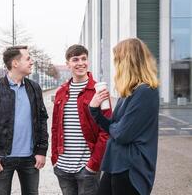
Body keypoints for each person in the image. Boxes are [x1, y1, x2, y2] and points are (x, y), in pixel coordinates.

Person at [89, 38, 159, 195]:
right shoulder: (129, 92)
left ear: (127, 62)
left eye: (117, 60)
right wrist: (95, 110)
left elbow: (122, 134)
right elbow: (114, 128)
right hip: (117, 163)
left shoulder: (145, 91)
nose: (116, 65)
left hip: (131, 168)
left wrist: (117, 127)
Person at [0, 45, 49, 195]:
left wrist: (41, 150)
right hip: (1, 159)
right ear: (15, 63)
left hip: (30, 158)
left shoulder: (34, 88)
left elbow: (42, 120)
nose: (31, 62)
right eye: (28, 58)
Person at [51, 44, 111, 195]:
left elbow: (106, 130)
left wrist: (94, 164)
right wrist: (55, 159)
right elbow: (55, 128)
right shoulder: (61, 92)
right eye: (75, 59)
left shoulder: (99, 90)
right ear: (68, 64)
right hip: (63, 168)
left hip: (87, 169)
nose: (80, 63)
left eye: (84, 59)